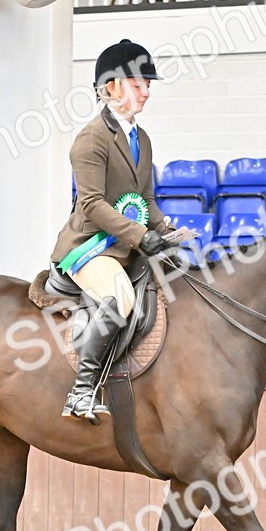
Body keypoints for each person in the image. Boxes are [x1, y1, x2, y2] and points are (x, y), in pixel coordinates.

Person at [50, 39, 174, 422]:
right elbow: (91, 204)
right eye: (139, 84)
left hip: (125, 245)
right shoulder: (91, 139)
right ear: (111, 88)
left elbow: (145, 198)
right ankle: (82, 391)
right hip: (89, 248)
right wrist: (140, 236)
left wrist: (165, 231)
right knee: (120, 298)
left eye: (148, 85)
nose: (147, 92)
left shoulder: (142, 139)